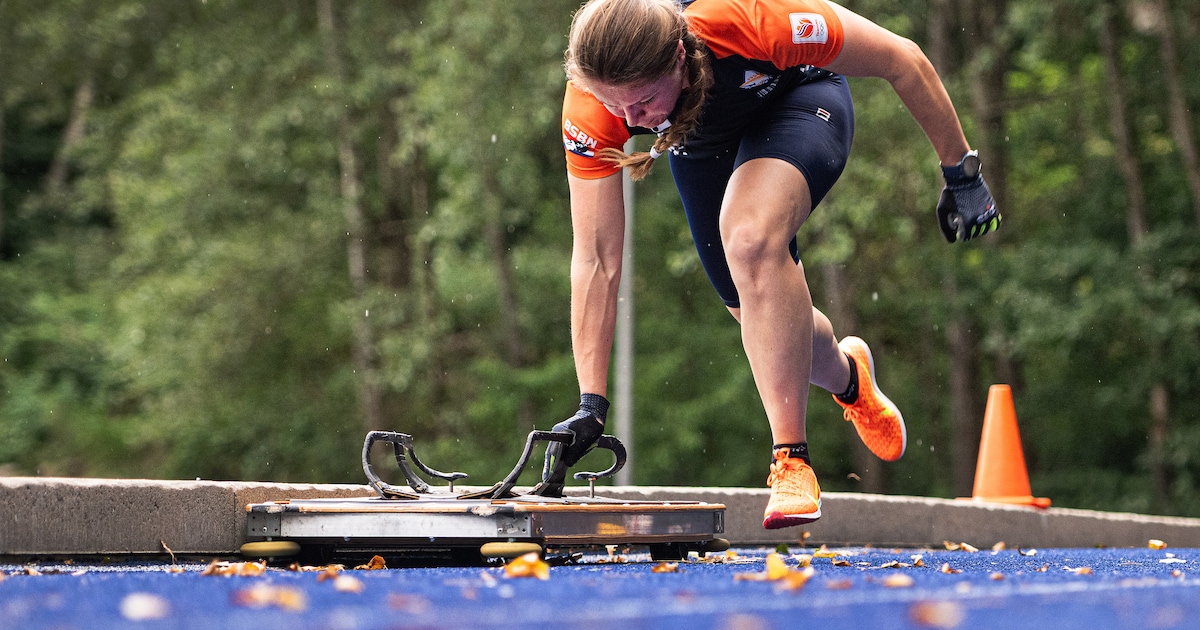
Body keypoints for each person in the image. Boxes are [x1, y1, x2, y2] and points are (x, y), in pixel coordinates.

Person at [542, 0, 1000, 528]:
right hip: (701, 143)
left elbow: (903, 59)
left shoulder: (753, 20)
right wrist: (591, 403)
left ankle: (791, 461)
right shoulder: (590, 103)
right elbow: (597, 259)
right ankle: (850, 379)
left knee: (750, 239)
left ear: (679, 57)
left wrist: (961, 173)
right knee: (768, 325)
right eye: (613, 104)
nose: (630, 120)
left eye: (643, 100)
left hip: (798, 100)